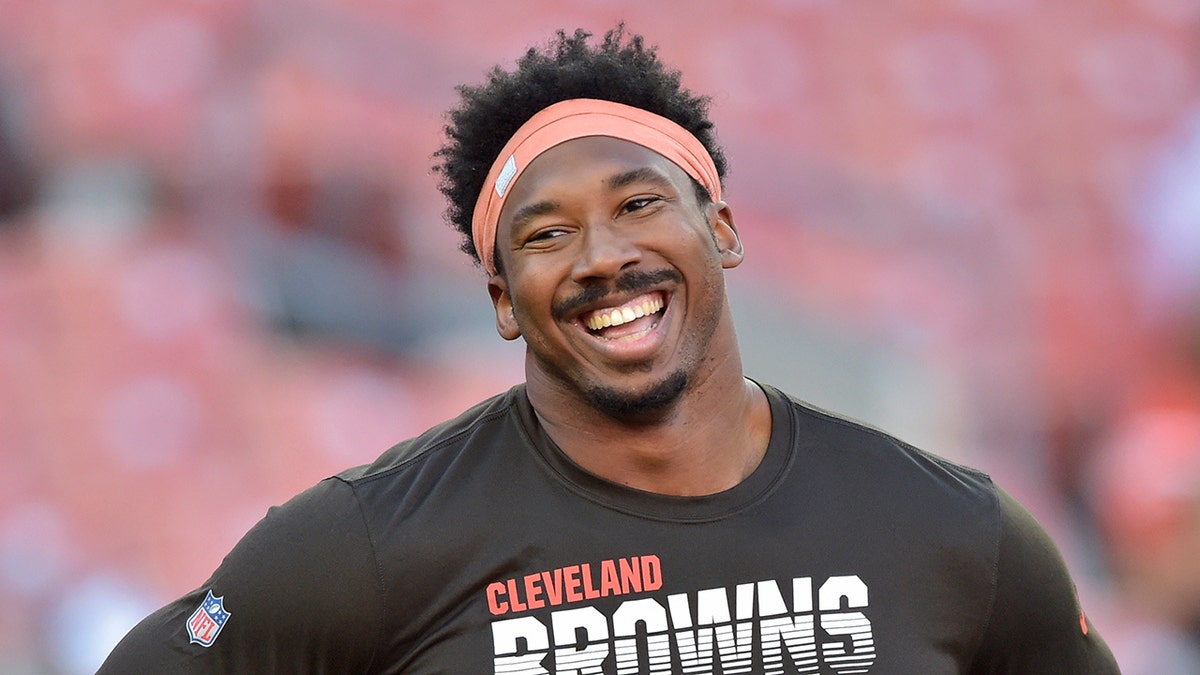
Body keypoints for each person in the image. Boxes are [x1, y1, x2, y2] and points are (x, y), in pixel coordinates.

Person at [99, 26, 1121, 673]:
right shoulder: (367, 547)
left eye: (639, 204)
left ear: (719, 228)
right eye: (545, 235)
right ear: (502, 297)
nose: (604, 257)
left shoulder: (954, 531)